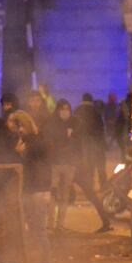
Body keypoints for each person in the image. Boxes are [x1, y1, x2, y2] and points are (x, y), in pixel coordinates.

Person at [5, 111, 53, 263]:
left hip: (35, 192)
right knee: (34, 233)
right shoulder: (37, 140)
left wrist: (17, 154)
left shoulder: (31, 143)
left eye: (17, 127)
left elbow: (25, 167)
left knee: (37, 233)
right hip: (37, 192)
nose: (17, 131)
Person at [43, 99, 80, 232]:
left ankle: (60, 225)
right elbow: (50, 143)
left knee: (64, 196)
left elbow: (79, 143)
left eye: (67, 109)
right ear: (58, 110)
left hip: (70, 164)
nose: (65, 112)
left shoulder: (75, 124)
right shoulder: (52, 124)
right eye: (62, 109)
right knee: (53, 195)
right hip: (55, 164)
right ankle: (50, 224)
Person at [74, 92, 108, 190]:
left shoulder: (77, 110)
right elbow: (101, 128)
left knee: (89, 168)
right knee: (100, 167)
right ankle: (104, 186)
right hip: (96, 144)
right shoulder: (96, 111)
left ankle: (89, 188)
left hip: (83, 144)